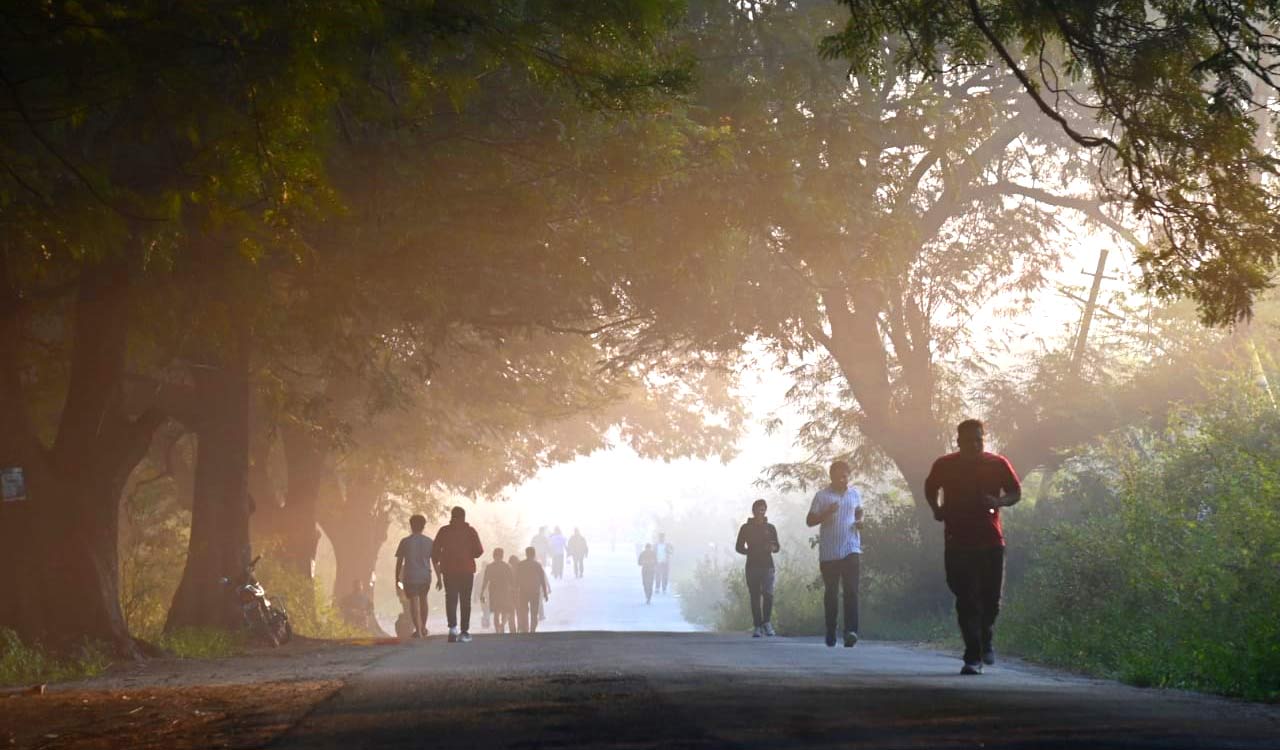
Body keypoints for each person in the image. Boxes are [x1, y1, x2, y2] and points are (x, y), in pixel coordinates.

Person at [925, 419, 1021, 675]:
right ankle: (972, 655)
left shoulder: (997, 463)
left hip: (991, 541)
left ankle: (986, 637)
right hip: (958, 542)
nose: (975, 445)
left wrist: (998, 501)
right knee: (966, 598)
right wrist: (937, 509)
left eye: (979, 440)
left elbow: (1015, 492)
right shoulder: (945, 465)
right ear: (958, 442)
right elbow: (929, 488)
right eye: (969, 441)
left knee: (992, 600)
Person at [806, 460, 864, 648]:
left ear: (849, 476)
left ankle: (851, 632)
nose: (842, 479)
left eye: (845, 476)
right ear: (831, 477)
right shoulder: (822, 496)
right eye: (838, 476)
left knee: (851, 591)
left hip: (851, 548)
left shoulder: (855, 494)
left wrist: (860, 521)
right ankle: (831, 630)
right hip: (830, 552)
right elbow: (810, 520)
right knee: (831, 593)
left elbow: (859, 511)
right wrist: (826, 513)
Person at [431, 506, 484, 643]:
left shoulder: (444, 531)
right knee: (465, 600)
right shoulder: (470, 531)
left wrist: (442, 560)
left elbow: (434, 552)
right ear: (464, 517)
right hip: (466, 570)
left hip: (449, 570)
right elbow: (479, 551)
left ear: (452, 516)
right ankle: (464, 632)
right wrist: (468, 554)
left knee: (451, 598)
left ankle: (452, 629)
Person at [736, 499, 781, 638]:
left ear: (765, 510)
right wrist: (750, 552)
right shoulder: (745, 528)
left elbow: (777, 547)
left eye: (763, 509)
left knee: (768, 595)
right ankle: (757, 626)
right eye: (758, 509)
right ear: (753, 511)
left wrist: (772, 548)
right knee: (755, 596)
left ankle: (766, 623)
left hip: (768, 566)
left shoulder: (770, 528)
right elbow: (738, 547)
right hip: (752, 566)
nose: (761, 512)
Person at [394, 514, 434, 639]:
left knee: (414, 602)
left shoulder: (405, 542)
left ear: (411, 526)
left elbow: (399, 561)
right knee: (424, 600)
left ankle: (418, 630)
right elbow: (434, 560)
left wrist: (397, 578)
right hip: (425, 575)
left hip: (410, 575)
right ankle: (423, 626)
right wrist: (439, 577)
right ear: (423, 526)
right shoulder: (429, 541)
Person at [479, 548, 517, 634]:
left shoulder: (489, 567)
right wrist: (514, 592)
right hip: (505, 591)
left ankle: (498, 631)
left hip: (493, 592)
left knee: (496, 612)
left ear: (493, 555)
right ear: (502, 556)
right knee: (505, 610)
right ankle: (502, 624)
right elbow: (512, 581)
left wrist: (482, 593)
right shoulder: (507, 566)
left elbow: (485, 581)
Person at [515, 547, 551, 633]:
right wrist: (545, 593)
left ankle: (525, 629)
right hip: (535, 592)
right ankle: (532, 630)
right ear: (534, 554)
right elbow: (542, 580)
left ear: (526, 554)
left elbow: (517, 579)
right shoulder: (537, 565)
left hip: (523, 592)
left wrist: (516, 589)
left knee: (524, 611)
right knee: (534, 613)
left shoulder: (520, 565)